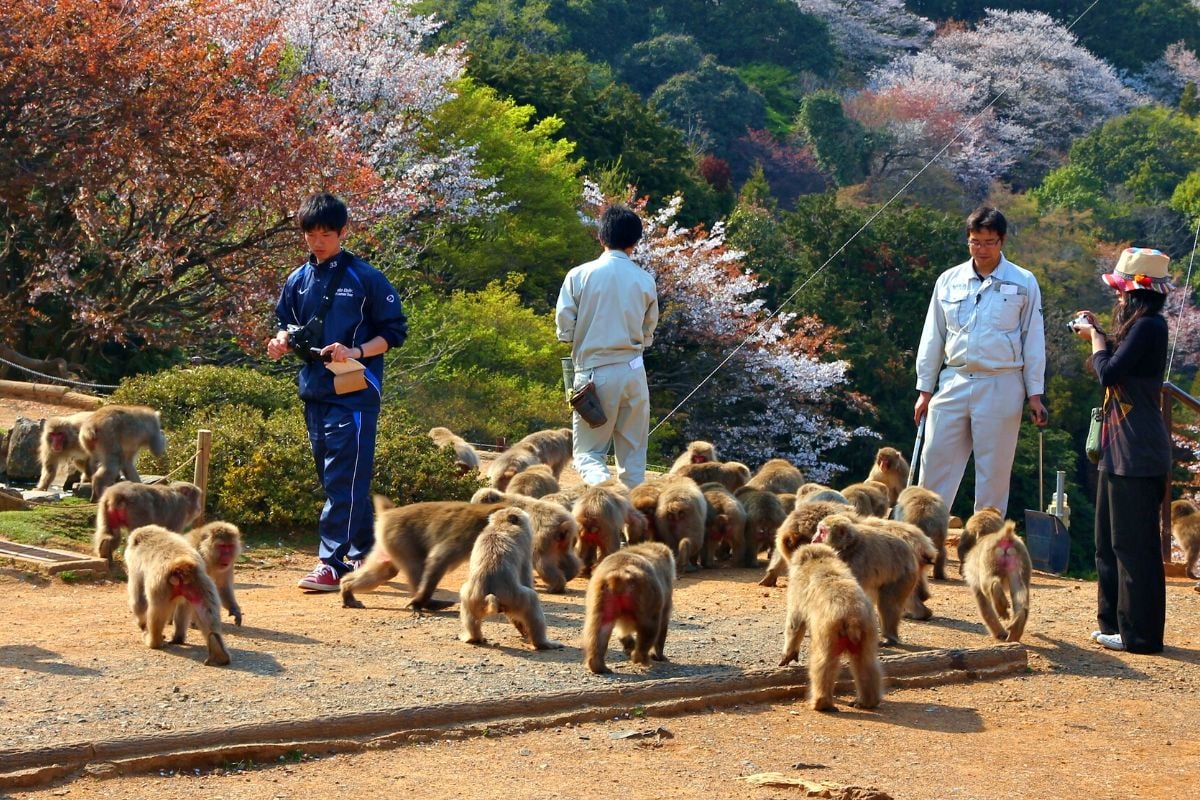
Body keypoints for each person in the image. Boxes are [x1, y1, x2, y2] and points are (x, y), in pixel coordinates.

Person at [266, 193, 407, 592]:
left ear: (343, 232)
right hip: (314, 389)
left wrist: (355, 350)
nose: (318, 241)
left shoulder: (366, 278)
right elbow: (286, 325)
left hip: (356, 391)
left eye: (326, 233)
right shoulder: (297, 279)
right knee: (335, 479)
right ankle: (367, 549)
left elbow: (394, 334)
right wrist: (279, 343)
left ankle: (333, 562)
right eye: (311, 233)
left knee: (343, 476)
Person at [914, 206, 1048, 518]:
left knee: (994, 471)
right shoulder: (948, 280)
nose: (982, 249)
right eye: (975, 241)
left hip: (1002, 382)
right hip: (954, 379)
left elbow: (1033, 338)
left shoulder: (1023, 281)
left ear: (1001, 241)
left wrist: (1035, 393)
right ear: (968, 241)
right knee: (934, 461)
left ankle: (985, 548)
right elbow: (933, 335)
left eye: (989, 242)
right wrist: (924, 388)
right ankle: (921, 538)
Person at [1072, 247, 1173, 654]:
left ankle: (1141, 636)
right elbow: (1115, 359)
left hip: (1138, 451)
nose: (1117, 297)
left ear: (1135, 293)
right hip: (1121, 448)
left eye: (1121, 290)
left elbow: (1108, 371)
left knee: (1135, 549)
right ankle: (1114, 624)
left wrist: (1096, 340)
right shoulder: (1141, 326)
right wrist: (1099, 334)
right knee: (1108, 543)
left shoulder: (1149, 326)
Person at [555, 204, 658, 487]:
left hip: (593, 374)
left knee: (589, 453)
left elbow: (565, 326)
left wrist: (576, 336)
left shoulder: (579, 275)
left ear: (601, 237)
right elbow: (648, 330)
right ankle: (630, 517)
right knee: (634, 456)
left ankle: (603, 494)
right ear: (635, 242)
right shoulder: (645, 280)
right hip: (633, 371)